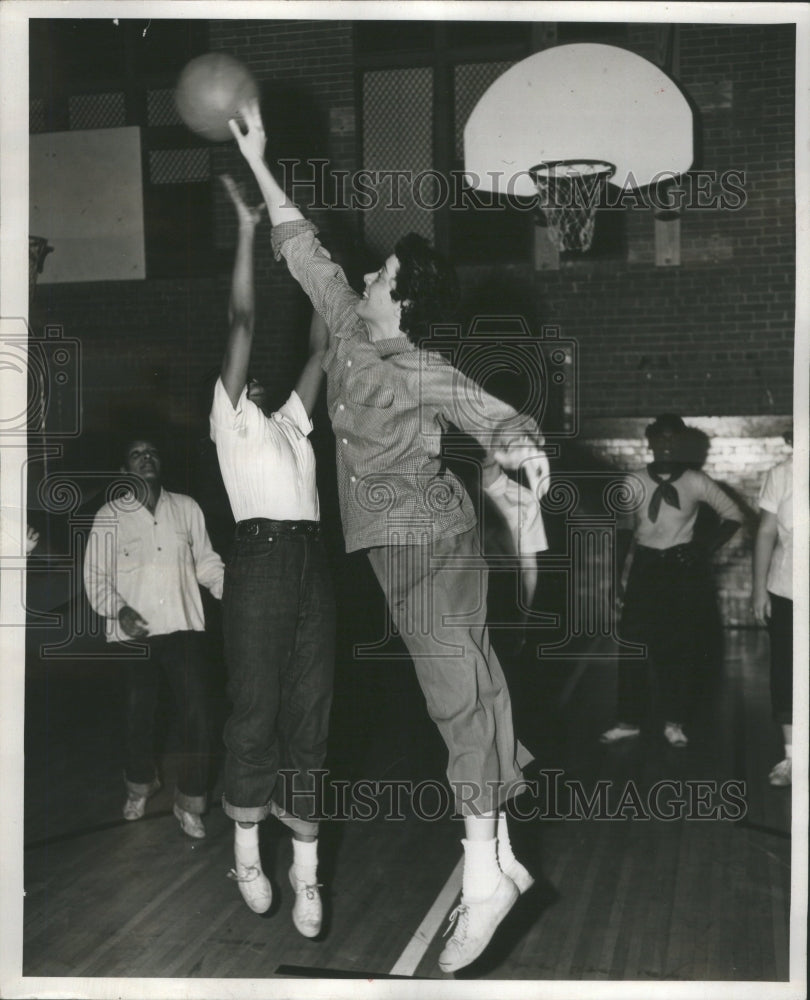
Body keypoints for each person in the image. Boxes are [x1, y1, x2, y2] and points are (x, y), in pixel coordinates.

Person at [228, 100, 549, 973]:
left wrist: (521, 447)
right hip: (409, 546)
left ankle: (484, 875)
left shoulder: (416, 364)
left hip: (428, 544)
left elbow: (491, 413)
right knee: (475, 684)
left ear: (401, 296)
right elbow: (305, 249)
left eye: (382, 273)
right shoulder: (344, 325)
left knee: (457, 691)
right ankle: (502, 854)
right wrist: (260, 160)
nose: (367, 274)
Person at [210, 175, 335, 938]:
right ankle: (248, 856)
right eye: (241, 368)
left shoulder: (290, 422)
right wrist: (252, 232)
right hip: (256, 565)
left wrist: (311, 248)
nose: (249, 370)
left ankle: (308, 875)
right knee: (255, 715)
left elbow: (324, 342)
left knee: (310, 719)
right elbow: (242, 318)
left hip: (312, 570)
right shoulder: (230, 422)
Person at [83, 437, 224, 838]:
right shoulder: (109, 517)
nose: (146, 458)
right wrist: (118, 609)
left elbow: (207, 564)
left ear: (160, 463)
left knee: (198, 714)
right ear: (124, 470)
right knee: (135, 716)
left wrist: (233, 591)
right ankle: (140, 785)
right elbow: (95, 577)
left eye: (152, 452)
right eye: (135, 453)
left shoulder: (187, 508)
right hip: (133, 634)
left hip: (183, 627)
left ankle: (191, 800)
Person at [600, 414, 744, 748]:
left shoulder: (695, 481)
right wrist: (613, 578)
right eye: (659, 439)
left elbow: (734, 516)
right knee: (633, 645)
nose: (665, 446)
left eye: (672, 440)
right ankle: (628, 720)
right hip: (645, 568)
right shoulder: (633, 481)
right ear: (649, 443)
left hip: (682, 572)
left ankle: (674, 721)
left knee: (679, 645)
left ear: (680, 444)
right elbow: (623, 532)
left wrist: (702, 549)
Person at [751, 441, 793, 786]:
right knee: (787, 670)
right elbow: (765, 532)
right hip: (787, 589)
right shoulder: (781, 475)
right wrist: (758, 587)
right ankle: (792, 757)